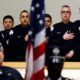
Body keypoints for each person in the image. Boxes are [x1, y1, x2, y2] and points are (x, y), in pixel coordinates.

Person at [45, 5, 77, 80]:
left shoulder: (75, 26)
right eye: (63, 12)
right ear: (60, 14)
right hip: (58, 60)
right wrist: (63, 38)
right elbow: (50, 43)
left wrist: (73, 51)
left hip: (73, 59)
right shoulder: (55, 27)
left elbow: (79, 43)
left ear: (70, 14)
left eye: (67, 12)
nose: (65, 14)